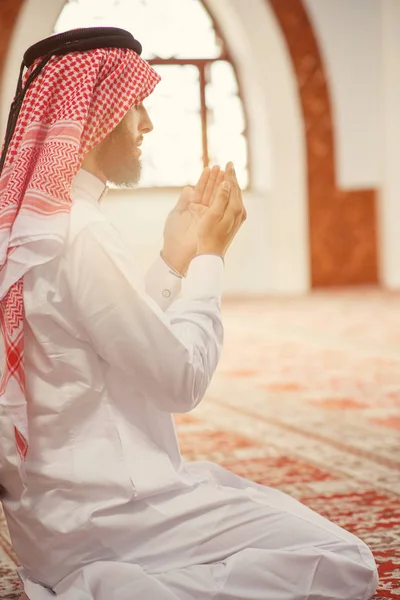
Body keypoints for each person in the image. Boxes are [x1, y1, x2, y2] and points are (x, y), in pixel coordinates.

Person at [0, 28, 378, 600]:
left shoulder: (34, 229)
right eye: (136, 105)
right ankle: (108, 587)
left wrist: (173, 260)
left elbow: (113, 343)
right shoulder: (80, 232)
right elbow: (179, 381)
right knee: (345, 562)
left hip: (54, 521)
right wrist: (210, 258)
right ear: (97, 114)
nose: (147, 124)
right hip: (111, 515)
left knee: (250, 498)